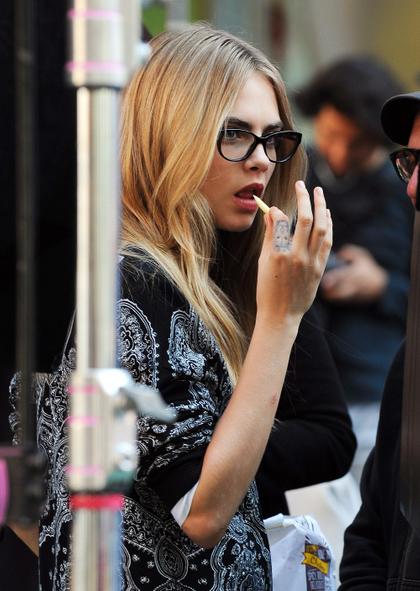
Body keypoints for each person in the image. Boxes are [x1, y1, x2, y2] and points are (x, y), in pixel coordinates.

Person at [8, 24, 356, 590]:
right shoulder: (138, 279)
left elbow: (329, 435)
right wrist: (280, 318)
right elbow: (203, 513)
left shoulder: (237, 264)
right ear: (170, 134)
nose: (261, 160)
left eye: (272, 138)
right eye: (234, 134)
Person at [294, 56, 413, 481]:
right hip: (306, 386)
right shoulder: (295, 174)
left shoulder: (405, 188)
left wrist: (381, 286)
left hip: (374, 389)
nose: (341, 154)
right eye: (331, 136)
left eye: (358, 143)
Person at [339, 91, 420, 588]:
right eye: (411, 161)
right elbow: (370, 536)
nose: (413, 186)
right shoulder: (411, 365)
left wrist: (381, 286)